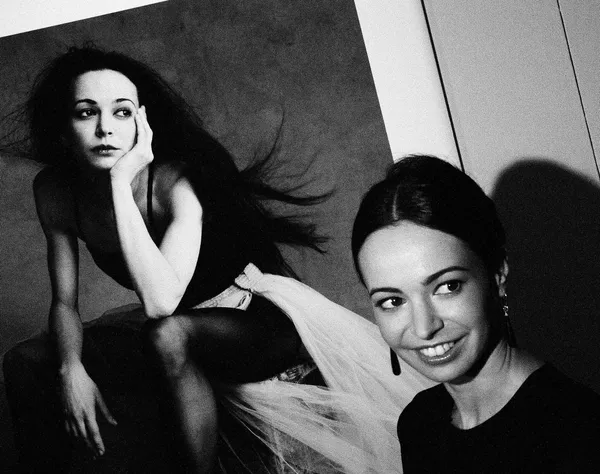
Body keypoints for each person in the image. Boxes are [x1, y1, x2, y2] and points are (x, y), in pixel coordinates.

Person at [1, 45, 330, 473]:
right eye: (86, 112)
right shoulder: (55, 192)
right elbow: (64, 302)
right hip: (176, 328)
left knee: (166, 334)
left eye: (121, 112)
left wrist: (120, 183)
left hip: (250, 318)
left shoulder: (175, 184)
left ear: (143, 124)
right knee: (25, 361)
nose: (105, 128)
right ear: (64, 129)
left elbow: (160, 303)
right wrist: (71, 369)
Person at [351, 154, 600, 472]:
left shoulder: (578, 430)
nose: (424, 327)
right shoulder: (419, 425)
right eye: (392, 301)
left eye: (447, 286)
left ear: (497, 273)